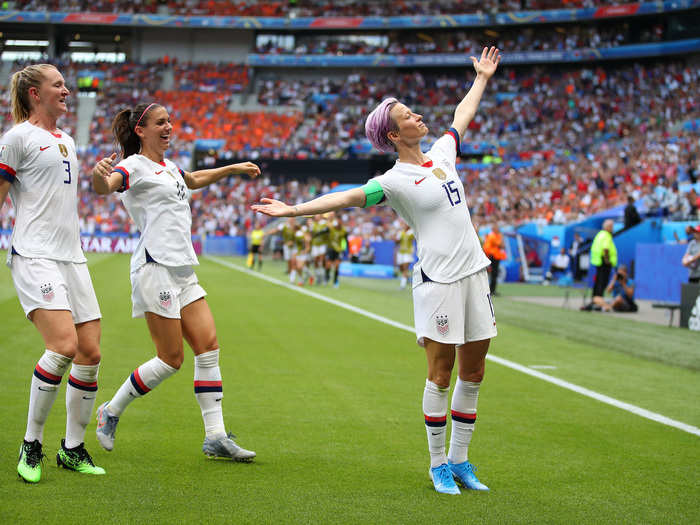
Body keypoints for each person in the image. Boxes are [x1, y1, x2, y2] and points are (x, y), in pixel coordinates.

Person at [252, 46, 501, 495]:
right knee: (440, 375)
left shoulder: (444, 153)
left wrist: (481, 77)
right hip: (438, 281)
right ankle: (438, 464)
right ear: (392, 132)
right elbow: (345, 198)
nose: (418, 116)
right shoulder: (390, 182)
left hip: (474, 274)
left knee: (474, 374)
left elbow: (462, 114)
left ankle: (463, 461)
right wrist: (293, 211)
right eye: (408, 114)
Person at [90, 102, 259, 461]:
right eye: (161, 122)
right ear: (141, 130)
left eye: (170, 121)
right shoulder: (132, 165)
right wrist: (97, 176)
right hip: (155, 267)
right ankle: (111, 411)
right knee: (170, 359)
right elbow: (105, 187)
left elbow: (193, 180)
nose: (169, 127)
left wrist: (233, 168)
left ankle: (215, 437)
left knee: (209, 347)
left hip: (182, 268)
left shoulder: (169, 168)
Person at [1, 64, 105, 482]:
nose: (67, 90)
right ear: (34, 94)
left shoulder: (66, 140)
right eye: (58, 85)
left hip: (73, 257)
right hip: (35, 255)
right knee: (63, 345)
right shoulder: (17, 138)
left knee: (90, 353)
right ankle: (32, 443)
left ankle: (73, 449)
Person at [584, 219, 617, 311]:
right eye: (612, 226)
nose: (613, 228)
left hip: (598, 262)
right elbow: (606, 248)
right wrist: (607, 260)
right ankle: (598, 302)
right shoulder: (606, 235)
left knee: (598, 282)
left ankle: (595, 300)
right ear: (608, 227)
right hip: (603, 262)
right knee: (602, 283)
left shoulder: (600, 234)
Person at [482, 225, 506, 295]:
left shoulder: (495, 235)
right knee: (493, 273)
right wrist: (501, 241)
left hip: (495, 256)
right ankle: (491, 290)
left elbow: (502, 245)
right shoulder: (493, 236)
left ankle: (492, 290)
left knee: (493, 273)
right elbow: (501, 245)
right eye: (497, 228)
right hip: (493, 256)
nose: (498, 229)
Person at [325, 211, 347, 288]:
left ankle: (335, 281)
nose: (339, 222)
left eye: (340, 221)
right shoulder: (331, 228)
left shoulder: (344, 230)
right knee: (328, 265)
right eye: (338, 221)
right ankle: (327, 276)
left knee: (337, 266)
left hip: (338, 250)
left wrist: (343, 249)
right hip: (330, 248)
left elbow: (345, 240)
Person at [396, 222, 415, 289]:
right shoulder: (401, 232)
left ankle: (402, 285)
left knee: (405, 268)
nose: (405, 225)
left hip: (408, 252)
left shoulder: (411, 232)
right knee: (401, 268)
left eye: (406, 224)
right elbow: (397, 241)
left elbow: (414, 238)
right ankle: (407, 278)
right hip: (401, 252)